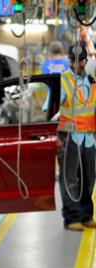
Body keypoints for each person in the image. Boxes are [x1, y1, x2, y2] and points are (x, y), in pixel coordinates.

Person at [57, 43, 96, 231]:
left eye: (80, 60)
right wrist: (55, 138)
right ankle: (72, 218)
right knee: (69, 179)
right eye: (72, 60)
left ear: (85, 61)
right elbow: (52, 110)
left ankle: (86, 215)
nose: (76, 64)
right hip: (69, 136)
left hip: (88, 137)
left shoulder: (92, 80)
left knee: (89, 177)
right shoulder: (63, 81)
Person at [41, 41, 70, 112]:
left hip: (51, 101)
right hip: (67, 101)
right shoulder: (68, 63)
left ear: (50, 53)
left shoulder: (44, 64)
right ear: (63, 51)